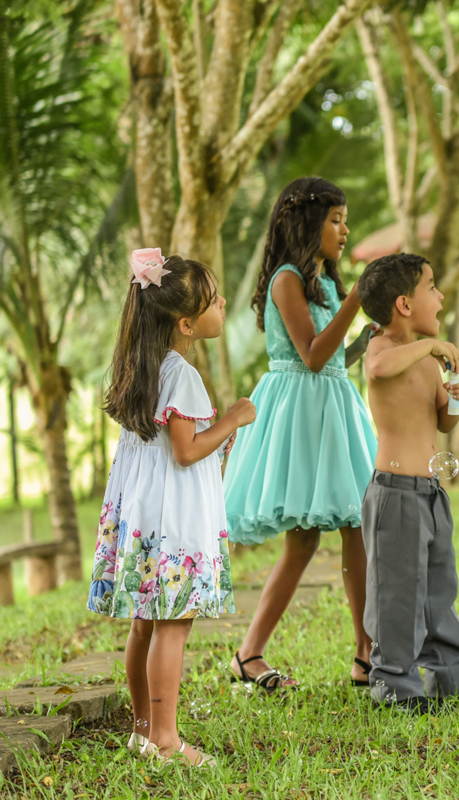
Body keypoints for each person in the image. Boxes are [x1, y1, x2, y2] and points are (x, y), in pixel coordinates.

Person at [89, 250, 256, 766]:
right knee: (173, 623)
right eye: (213, 299)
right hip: (174, 518)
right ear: (186, 323)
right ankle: (165, 739)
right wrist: (232, 419)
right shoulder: (181, 372)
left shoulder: (139, 364)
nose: (224, 302)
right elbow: (186, 451)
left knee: (145, 620)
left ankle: (143, 731)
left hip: (144, 511)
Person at [223, 177, 377, 691]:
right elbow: (310, 356)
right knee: (303, 542)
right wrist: (357, 299)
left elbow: (334, 359)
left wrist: (363, 340)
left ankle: (364, 651)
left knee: (355, 526)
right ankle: (249, 653)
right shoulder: (286, 279)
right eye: (336, 220)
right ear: (307, 223)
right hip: (298, 413)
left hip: (333, 409)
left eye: (344, 219)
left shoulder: (326, 284)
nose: (344, 230)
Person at [356, 253, 459, 712]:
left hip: (429, 494)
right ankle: (394, 684)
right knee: (397, 595)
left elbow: (443, 423)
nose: (439, 296)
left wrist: (455, 393)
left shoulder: (424, 360)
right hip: (394, 494)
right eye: (431, 287)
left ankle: (454, 678)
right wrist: (432, 347)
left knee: (439, 589)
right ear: (403, 303)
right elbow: (378, 370)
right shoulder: (382, 349)